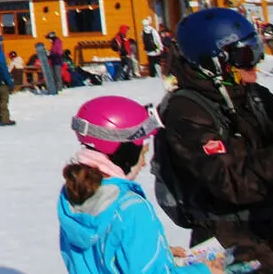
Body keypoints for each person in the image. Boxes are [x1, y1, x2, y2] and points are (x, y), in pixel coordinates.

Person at [157, 6, 273, 271]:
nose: (256, 63)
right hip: (232, 249)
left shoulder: (254, 96)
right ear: (213, 61)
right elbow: (232, 182)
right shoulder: (185, 112)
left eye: (257, 49)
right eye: (245, 55)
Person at [59, 95, 221, 274]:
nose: (144, 163)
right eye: (143, 153)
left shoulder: (72, 196)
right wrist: (204, 271)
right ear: (125, 152)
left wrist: (156, 254)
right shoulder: (130, 208)